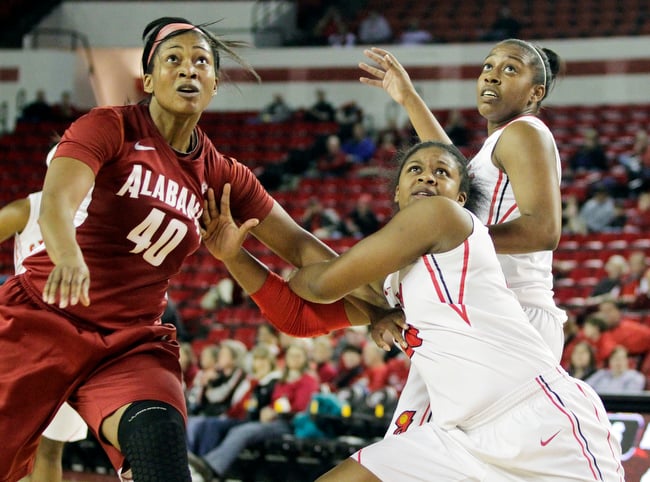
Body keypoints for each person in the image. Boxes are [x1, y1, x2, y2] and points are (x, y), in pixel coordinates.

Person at [0, 17, 383, 482]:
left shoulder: (223, 174)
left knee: (161, 453)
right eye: (174, 60)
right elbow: (55, 201)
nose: (189, 69)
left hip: (129, 342)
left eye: (201, 61)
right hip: (44, 317)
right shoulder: (109, 126)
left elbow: (301, 247)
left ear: (215, 84)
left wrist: (380, 300)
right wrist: (68, 255)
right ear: (148, 79)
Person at [200, 141, 624, 480]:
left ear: (460, 197)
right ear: (397, 192)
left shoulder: (446, 220)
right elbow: (297, 316)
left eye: (443, 171)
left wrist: (318, 283)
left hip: (536, 419)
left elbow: (322, 284)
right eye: (414, 170)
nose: (427, 176)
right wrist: (233, 257)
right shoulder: (392, 281)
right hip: (457, 440)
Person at [358, 40, 567, 361]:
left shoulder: (524, 132)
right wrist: (409, 99)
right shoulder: (496, 146)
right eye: (488, 66)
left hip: (513, 312)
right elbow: (451, 164)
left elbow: (543, 230)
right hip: (484, 311)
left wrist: (449, 240)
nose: (492, 76)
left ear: (535, 93)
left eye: (510, 69)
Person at [0, 144, 90, 482]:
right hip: (29, 336)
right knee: (29, 445)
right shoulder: (31, 205)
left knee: (48, 449)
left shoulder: (110, 209)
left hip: (75, 339)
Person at [188, 341, 319, 480]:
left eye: (298, 356)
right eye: (291, 355)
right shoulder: (283, 379)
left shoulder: (308, 380)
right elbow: (274, 402)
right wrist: (269, 410)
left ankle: (212, 467)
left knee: (245, 431)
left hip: (291, 423)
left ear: (305, 358)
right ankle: (202, 463)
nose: (294, 359)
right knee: (222, 427)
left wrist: (273, 412)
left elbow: (301, 407)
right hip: (273, 420)